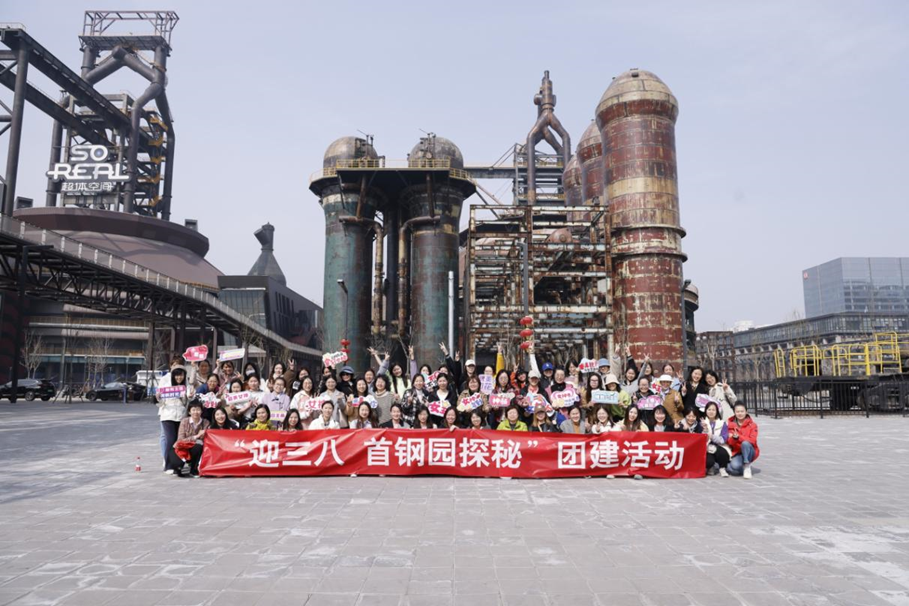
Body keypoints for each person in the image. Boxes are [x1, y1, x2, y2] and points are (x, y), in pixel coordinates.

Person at [157, 364, 189, 471]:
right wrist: (158, 398)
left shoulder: (186, 387)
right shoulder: (167, 386)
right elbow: (161, 403)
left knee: (178, 441)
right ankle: (168, 466)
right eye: (176, 375)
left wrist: (186, 396)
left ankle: (177, 464)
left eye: (181, 375)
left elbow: (186, 403)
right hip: (168, 416)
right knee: (170, 440)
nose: (179, 377)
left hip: (180, 417)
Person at [167, 400, 209, 477]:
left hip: (195, 448)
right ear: (189, 412)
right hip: (182, 448)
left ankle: (193, 470)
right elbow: (180, 440)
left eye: (198, 409)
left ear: (201, 411)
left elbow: (206, 440)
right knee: (177, 467)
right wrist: (196, 436)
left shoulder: (205, 422)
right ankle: (177, 467)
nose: (196, 412)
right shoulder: (184, 421)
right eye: (193, 410)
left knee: (198, 447)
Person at [726, 402, 759, 479]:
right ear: (734, 412)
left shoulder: (752, 425)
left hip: (750, 450)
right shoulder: (730, 425)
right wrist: (734, 438)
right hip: (737, 452)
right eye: (737, 411)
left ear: (746, 412)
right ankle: (742, 467)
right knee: (733, 468)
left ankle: (747, 466)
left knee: (745, 443)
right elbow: (730, 443)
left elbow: (752, 441)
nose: (740, 413)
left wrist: (739, 437)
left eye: (742, 411)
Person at [703, 401, 730, 476]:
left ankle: (722, 467)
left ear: (717, 411)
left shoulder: (722, 423)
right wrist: (704, 431)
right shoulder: (702, 422)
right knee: (708, 461)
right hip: (707, 448)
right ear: (706, 411)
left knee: (723, 453)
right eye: (709, 409)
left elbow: (723, 439)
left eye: (713, 410)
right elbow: (700, 439)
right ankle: (710, 467)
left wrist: (712, 436)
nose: (711, 412)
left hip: (719, 446)